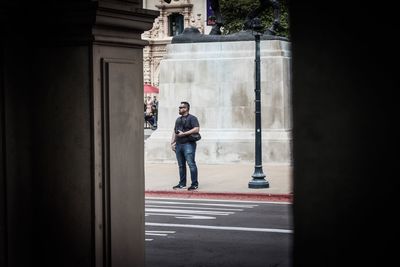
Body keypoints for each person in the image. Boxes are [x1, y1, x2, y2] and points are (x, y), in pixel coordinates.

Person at [171, 101, 200, 191]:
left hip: (189, 144)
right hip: (179, 145)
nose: (179, 109)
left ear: (186, 108)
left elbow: (197, 129)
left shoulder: (192, 118)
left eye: (181, 107)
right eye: (179, 107)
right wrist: (172, 143)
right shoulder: (178, 119)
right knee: (181, 165)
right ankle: (182, 184)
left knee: (191, 164)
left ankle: (194, 184)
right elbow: (174, 131)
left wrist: (184, 134)